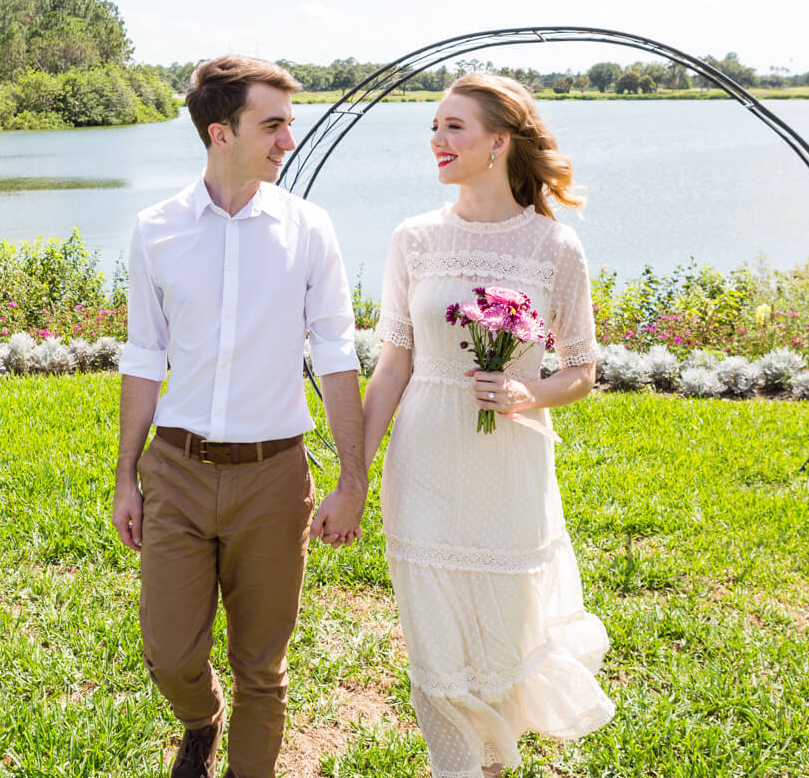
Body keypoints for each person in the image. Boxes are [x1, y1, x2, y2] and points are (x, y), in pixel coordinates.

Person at [112, 55, 368, 778]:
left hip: (274, 477)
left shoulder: (310, 229)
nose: (289, 139)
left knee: (262, 665)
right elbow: (142, 357)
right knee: (169, 653)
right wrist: (125, 477)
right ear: (220, 133)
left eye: (289, 123)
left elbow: (337, 354)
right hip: (179, 471)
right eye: (274, 125)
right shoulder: (155, 230)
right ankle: (200, 720)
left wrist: (353, 481)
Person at [360, 73, 614, 777]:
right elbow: (392, 365)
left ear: (499, 142)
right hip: (424, 464)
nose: (437, 142)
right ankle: (455, 769)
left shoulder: (554, 249)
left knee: (501, 647)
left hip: (511, 470)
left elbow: (582, 370)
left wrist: (525, 393)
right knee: (435, 650)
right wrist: (355, 470)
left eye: (453, 128)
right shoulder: (412, 239)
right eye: (433, 129)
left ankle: (495, 765)